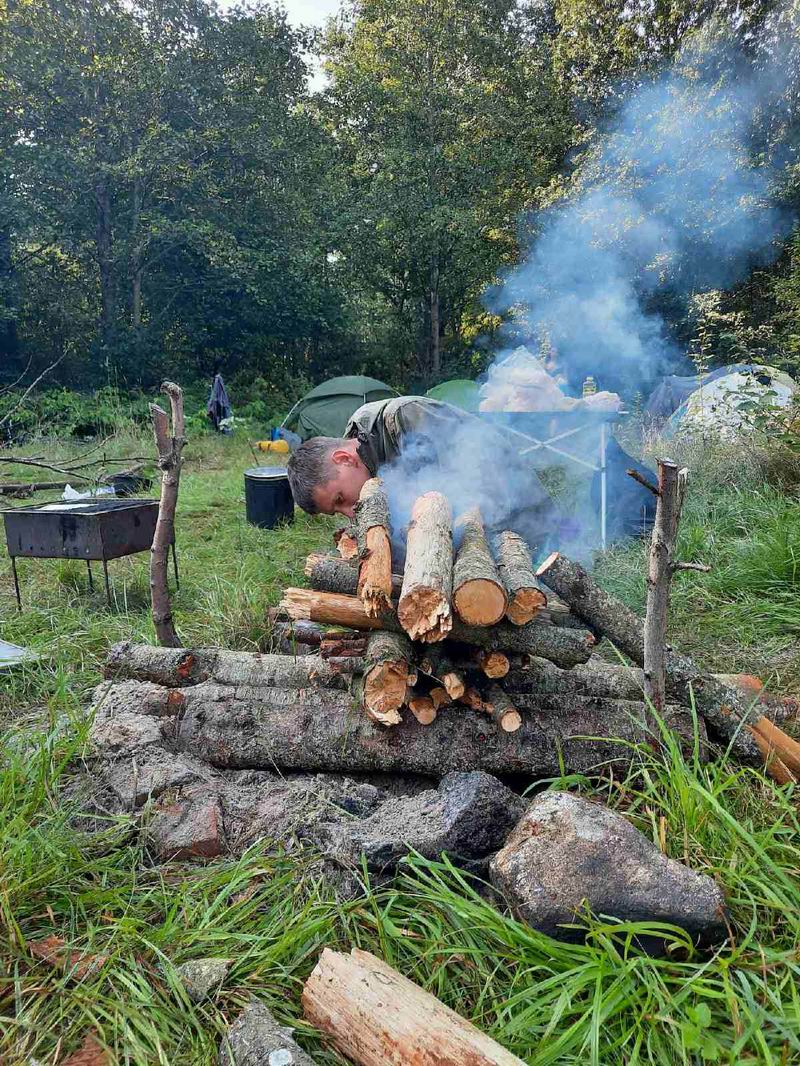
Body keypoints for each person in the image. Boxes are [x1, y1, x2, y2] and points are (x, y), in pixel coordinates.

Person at [287, 395, 568, 552]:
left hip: (520, 517)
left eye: (340, 499)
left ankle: (567, 533)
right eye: (337, 511)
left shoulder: (405, 418)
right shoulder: (366, 451)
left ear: (343, 458)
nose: (349, 512)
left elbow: (482, 481)